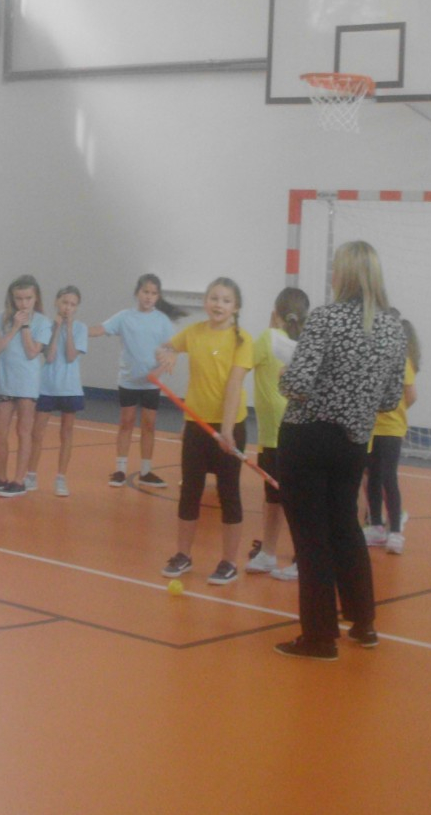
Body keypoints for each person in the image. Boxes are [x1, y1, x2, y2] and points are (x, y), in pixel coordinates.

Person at [274, 242, 407, 660]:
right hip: (353, 444)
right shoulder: (394, 329)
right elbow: (390, 399)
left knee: (311, 538)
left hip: (307, 438)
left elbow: (297, 384)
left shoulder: (325, 318)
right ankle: (363, 623)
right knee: (346, 529)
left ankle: (319, 637)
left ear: (344, 274)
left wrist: (284, 375)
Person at [153, 277, 253, 586]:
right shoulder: (194, 333)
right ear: (206, 302)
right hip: (197, 426)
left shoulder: (242, 340)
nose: (218, 304)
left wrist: (227, 431)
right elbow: (164, 348)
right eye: (214, 298)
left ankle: (228, 562)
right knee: (190, 491)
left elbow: (234, 386)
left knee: (228, 493)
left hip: (229, 426)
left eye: (225, 300)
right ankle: (183, 554)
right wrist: (168, 353)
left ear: (236, 307)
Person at [89, 273, 183, 487]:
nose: (149, 297)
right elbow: (101, 329)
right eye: (145, 292)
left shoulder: (162, 320)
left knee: (149, 425)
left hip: (151, 384)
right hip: (129, 381)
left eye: (153, 293)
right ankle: (120, 470)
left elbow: (173, 349)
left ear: (158, 296)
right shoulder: (124, 317)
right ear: (137, 293)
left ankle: (146, 471)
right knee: (126, 423)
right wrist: (77, 331)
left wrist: (160, 370)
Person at [246, 286, 309, 579]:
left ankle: (304, 558)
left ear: (275, 314)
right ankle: (268, 553)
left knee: (293, 500)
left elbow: (240, 363)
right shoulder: (303, 343)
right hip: (276, 437)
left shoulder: (268, 338)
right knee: (273, 498)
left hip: (286, 435)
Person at [0, 275, 51, 497]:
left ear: (36, 298)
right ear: (12, 299)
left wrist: (25, 327)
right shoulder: (2, 319)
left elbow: (32, 352)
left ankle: (19, 479)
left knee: (23, 432)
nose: (23, 303)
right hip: (6, 383)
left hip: (27, 384)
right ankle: (1, 476)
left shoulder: (43, 322)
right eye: (19, 299)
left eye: (28, 298)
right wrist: (14, 327)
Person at [365, 318, 420, 554]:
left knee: (388, 477)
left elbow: (411, 395)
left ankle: (395, 530)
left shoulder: (402, 362)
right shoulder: (372, 359)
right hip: (371, 428)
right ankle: (376, 525)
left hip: (391, 429)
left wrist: (397, 411)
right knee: (372, 477)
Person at [30, 285, 87, 497]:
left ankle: (61, 477)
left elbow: (71, 356)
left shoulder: (80, 328)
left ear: (76, 307)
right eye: (64, 302)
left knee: (66, 433)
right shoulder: (46, 325)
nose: (67, 308)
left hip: (70, 388)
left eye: (72, 304)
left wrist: (68, 328)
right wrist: (56, 330)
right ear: (56, 302)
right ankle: (31, 474)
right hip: (47, 386)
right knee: (37, 432)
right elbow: (50, 356)